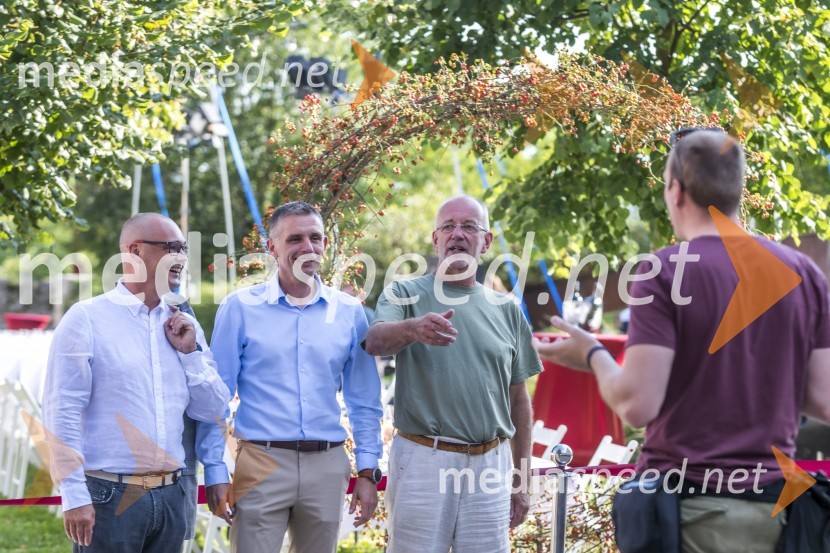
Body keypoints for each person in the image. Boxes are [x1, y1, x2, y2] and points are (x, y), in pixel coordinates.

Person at [533, 129, 830, 553]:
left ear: (674, 190)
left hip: (688, 514)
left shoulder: (665, 271)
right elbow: (823, 400)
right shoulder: (804, 274)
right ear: (737, 192)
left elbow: (637, 404)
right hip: (777, 515)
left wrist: (593, 353)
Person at [198, 201, 383, 553]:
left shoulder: (349, 313)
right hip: (261, 462)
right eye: (295, 238)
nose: (307, 247)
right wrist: (215, 470)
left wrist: (367, 470)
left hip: (327, 466)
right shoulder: (239, 308)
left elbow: (364, 401)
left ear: (326, 245)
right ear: (272, 247)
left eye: (316, 237)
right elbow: (215, 399)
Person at [364, 195, 543, 553]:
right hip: (423, 459)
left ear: (486, 241)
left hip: (491, 464)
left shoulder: (507, 309)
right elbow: (374, 341)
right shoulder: (404, 292)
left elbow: (519, 401)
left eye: (468, 226)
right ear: (435, 239)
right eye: (448, 226)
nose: (457, 234)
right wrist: (414, 329)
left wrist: (521, 481)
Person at [42, 213, 230, 552]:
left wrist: (190, 354)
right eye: (171, 248)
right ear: (134, 251)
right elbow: (62, 412)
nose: (182, 259)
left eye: (183, 248)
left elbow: (214, 409)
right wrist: (73, 494)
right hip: (108, 497)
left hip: (173, 495)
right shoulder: (86, 319)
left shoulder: (183, 324)